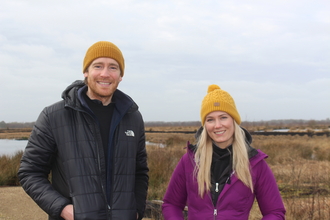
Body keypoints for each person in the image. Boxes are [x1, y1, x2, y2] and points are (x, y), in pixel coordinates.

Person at [18, 41, 149, 220]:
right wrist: (63, 208)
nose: (105, 73)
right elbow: (30, 172)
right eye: (98, 66)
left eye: (113, 67)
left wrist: (136, 211)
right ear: (86, 72)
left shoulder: (133, 117)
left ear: (120, 76)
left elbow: (140, 172)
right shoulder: (54, 116)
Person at [162, 84, 285, 219]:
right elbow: (171, 204)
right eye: (210, 120)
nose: (217, 125)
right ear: (205, 125)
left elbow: (275, 212)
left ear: (234, 119)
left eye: (223, 117)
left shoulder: (255, 164)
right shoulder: (190, 161)